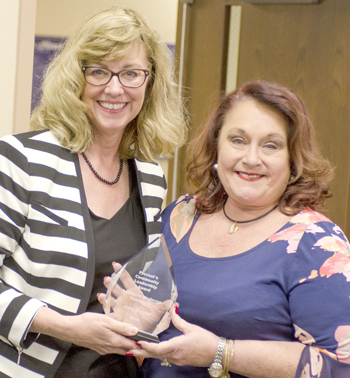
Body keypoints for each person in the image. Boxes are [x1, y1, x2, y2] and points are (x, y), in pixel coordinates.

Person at [0, 6, 186, 378]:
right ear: (76, 79)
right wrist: (67, 326)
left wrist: (153, 310)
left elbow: (138, 284)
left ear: (150, 83)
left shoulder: (150, 177)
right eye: (99, 71)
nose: (115, 88)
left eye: (131, 73)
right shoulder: (20, 159)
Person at [126, 80, 350, 377]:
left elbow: (340, 365)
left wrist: (221, 352)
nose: (251, 159)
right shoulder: (181, 216)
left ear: (292, 160)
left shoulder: (316, 244)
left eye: (271, 145)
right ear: (216, 147)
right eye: (238, 140)